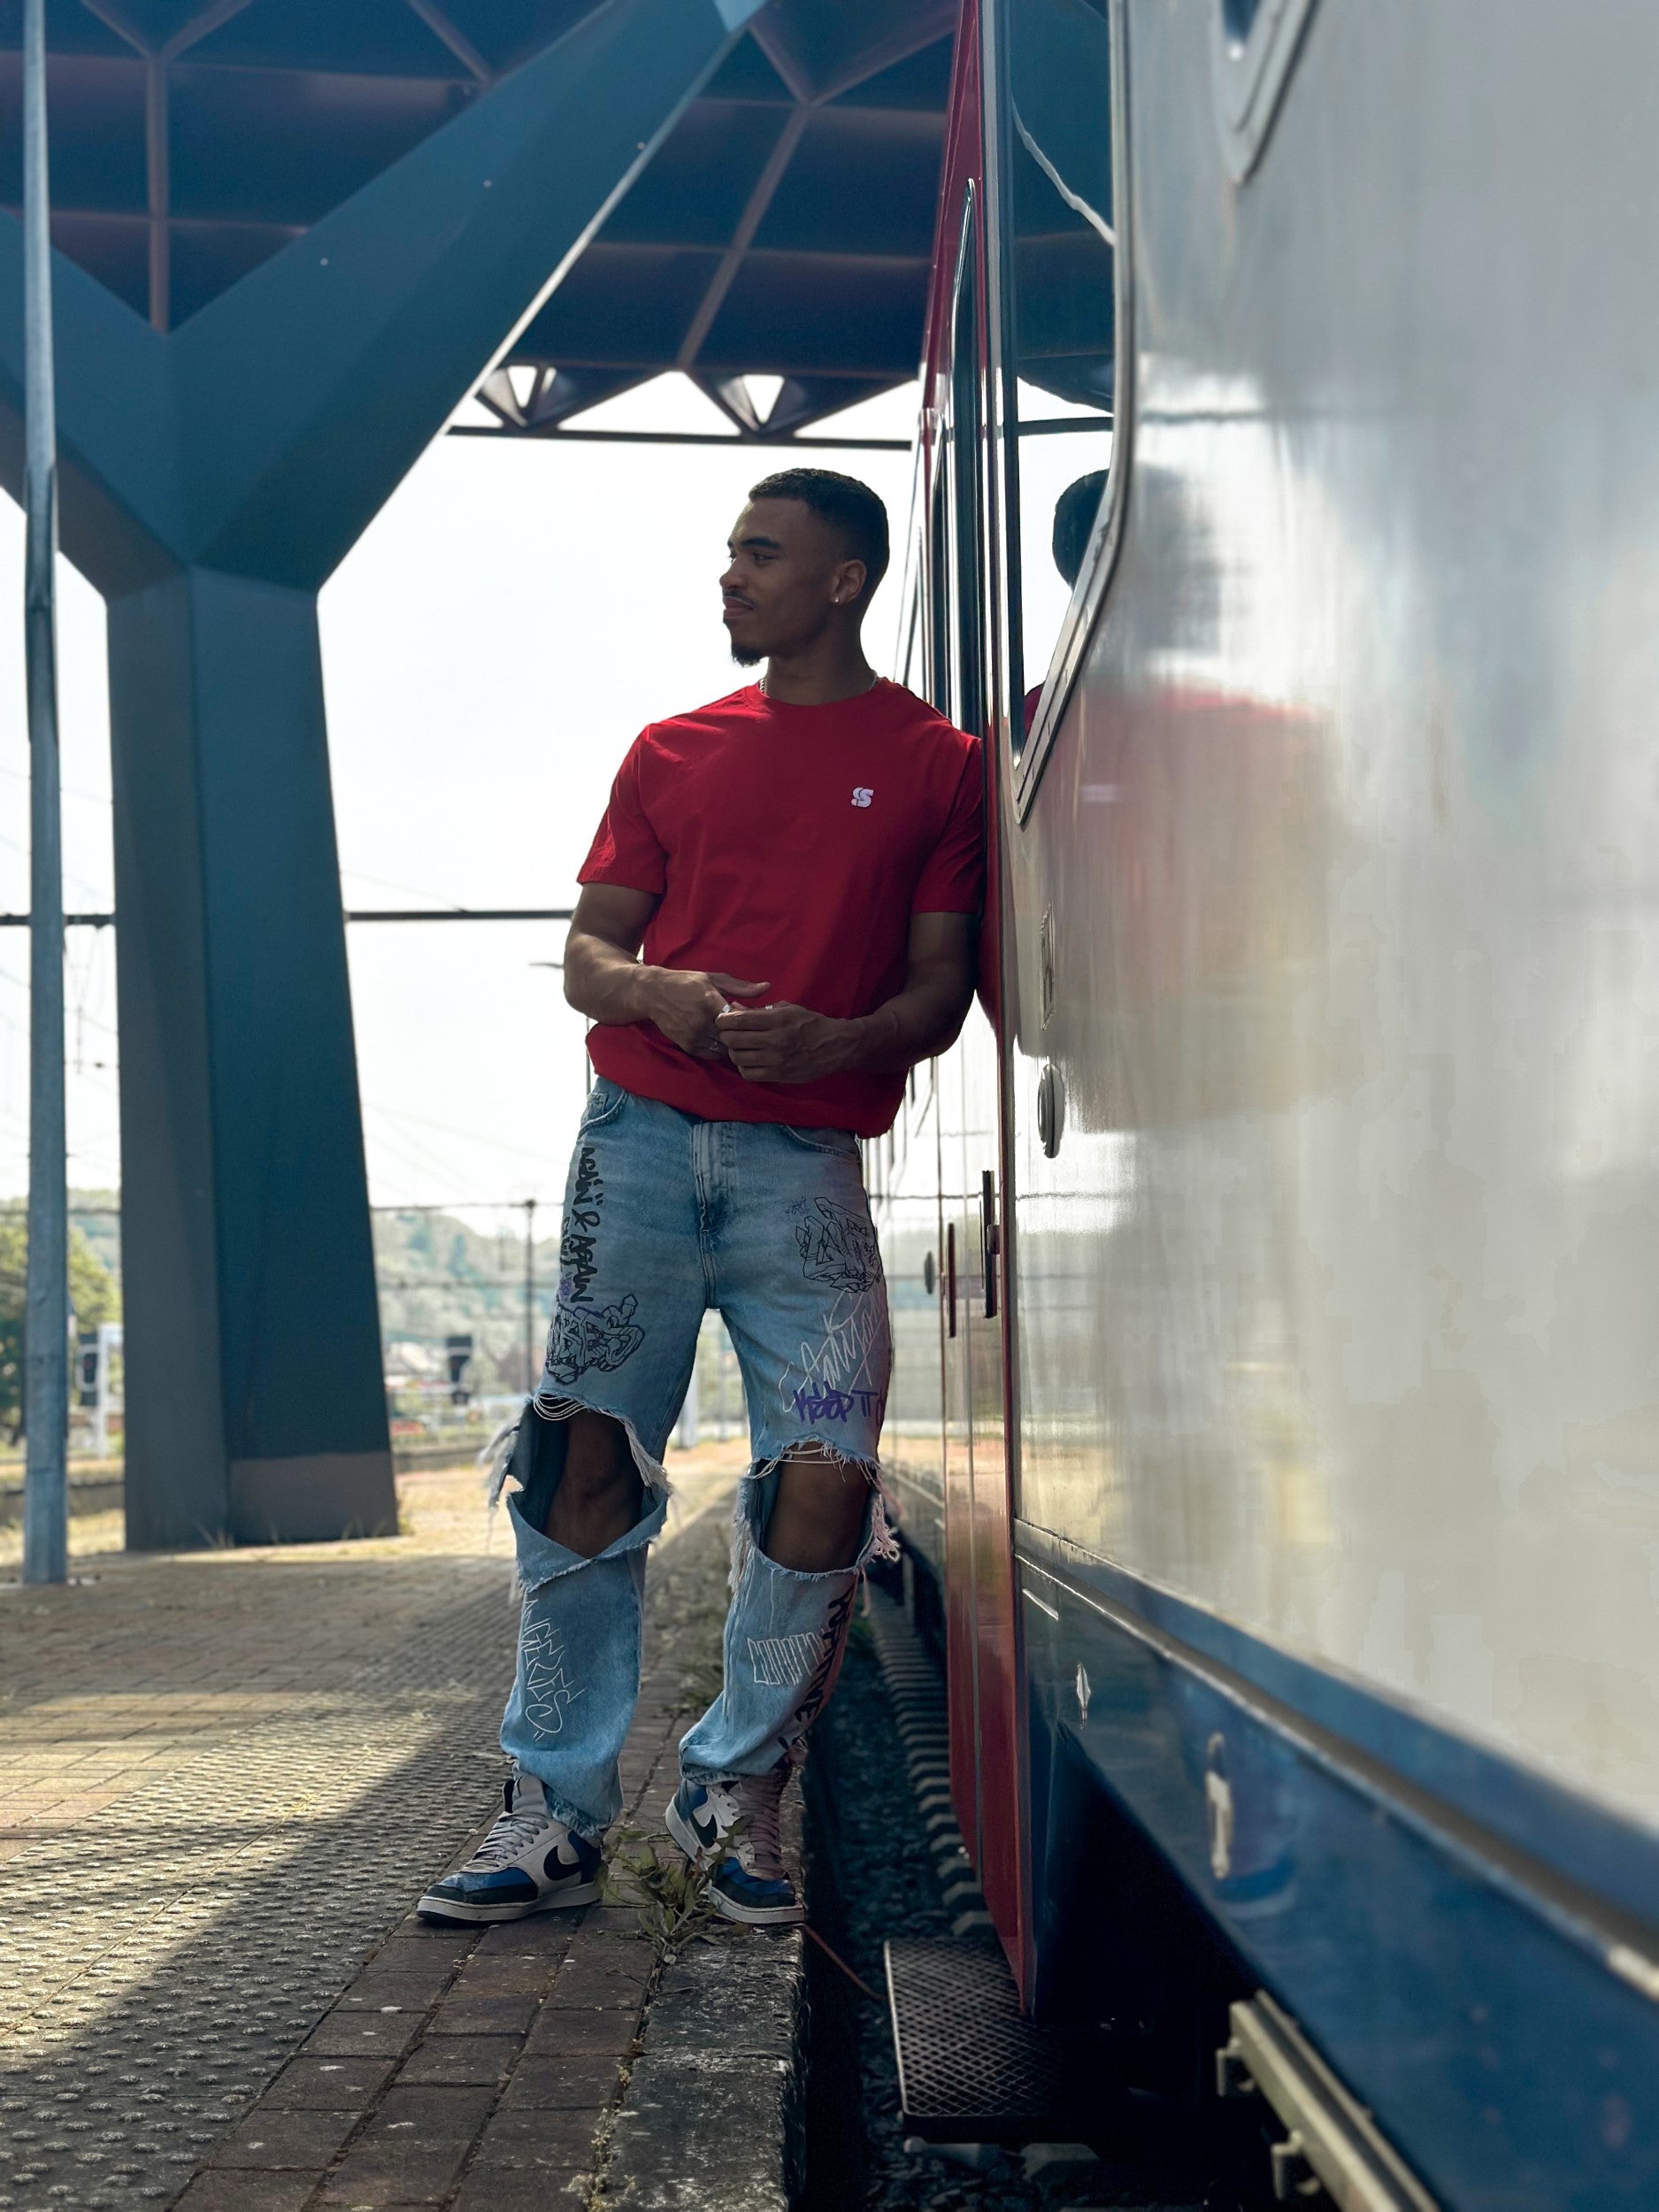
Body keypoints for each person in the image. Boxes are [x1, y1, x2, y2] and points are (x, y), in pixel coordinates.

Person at [418, 467, 983, 1932]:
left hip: (808, 1169)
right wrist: (660, 989)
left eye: (760, 554)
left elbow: (937, 992)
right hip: (641, 1145)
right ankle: (553, 1809)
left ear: (843, 579)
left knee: (832, 1469)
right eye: (731, 553)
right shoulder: (671, 750)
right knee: (581, 1460)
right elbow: (589, 957)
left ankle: (737, 1790)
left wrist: (846, 1041)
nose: (728, 578)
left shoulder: (938, 767)